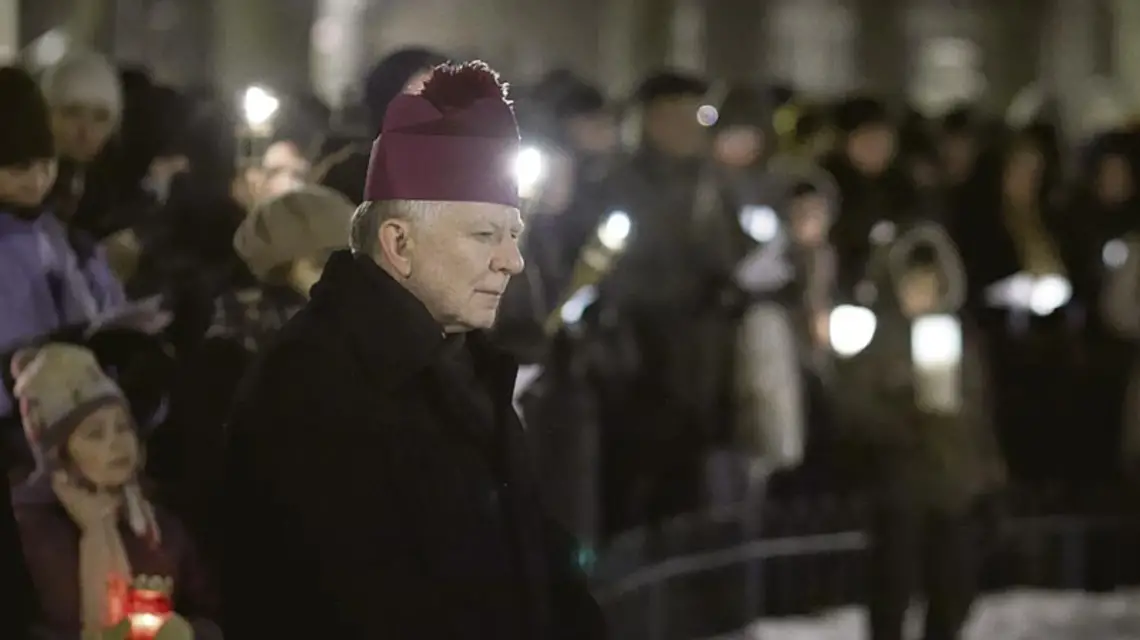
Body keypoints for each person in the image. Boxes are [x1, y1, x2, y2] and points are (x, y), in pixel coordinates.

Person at [222, 61, 606, 639]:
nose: (512, 260)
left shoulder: (469, 369)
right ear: (398, 243)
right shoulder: (313, 385)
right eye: (485, 235)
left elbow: (539, 568)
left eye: (514, 235)